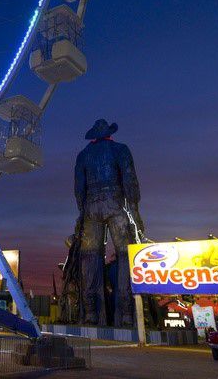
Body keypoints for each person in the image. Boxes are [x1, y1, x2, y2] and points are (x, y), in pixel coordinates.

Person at [74, 119, 142, 326]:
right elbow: (129, 180)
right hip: (115, 204)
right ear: (109, 133)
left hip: (91, 208)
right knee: (124, 255)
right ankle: (127, 312)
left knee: (90, 258)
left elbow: (79, 188)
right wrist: (135, 211)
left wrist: (82, 212)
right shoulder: (120, 150)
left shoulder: (83, 155)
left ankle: (91, 313)